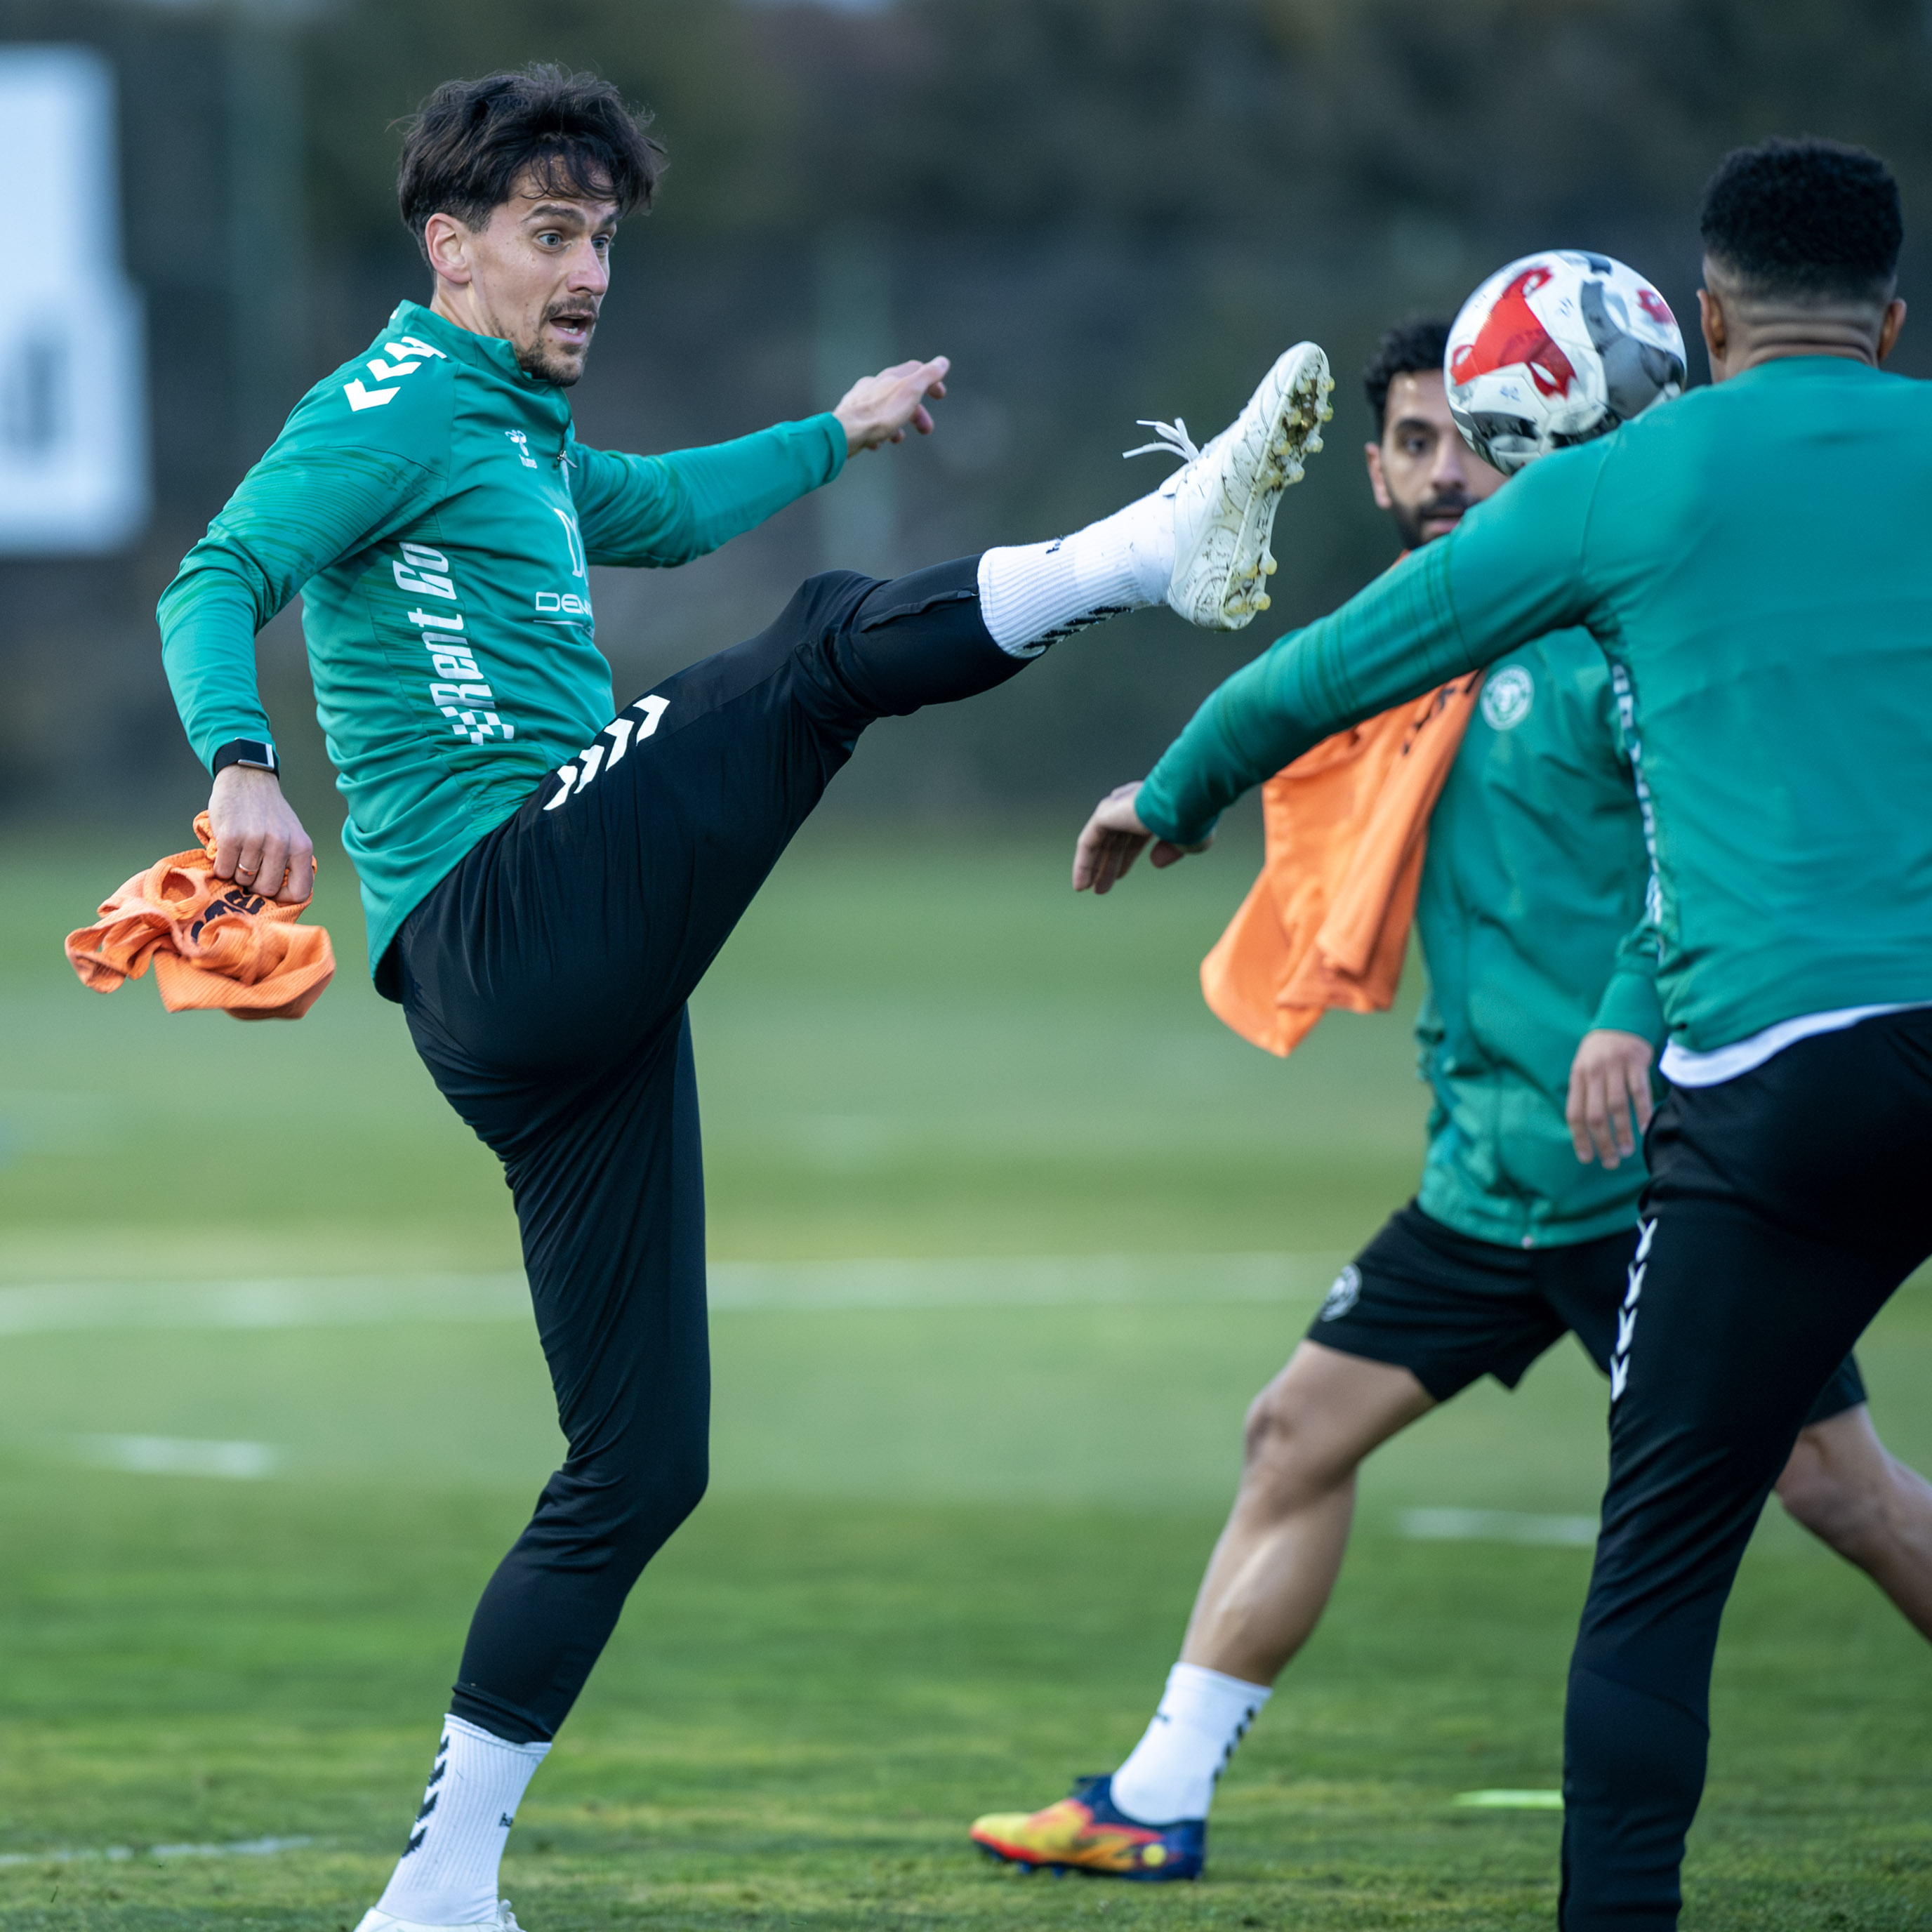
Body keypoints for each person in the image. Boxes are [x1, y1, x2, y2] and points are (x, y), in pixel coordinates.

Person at [154, 62, 1334, 1932]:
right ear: (450, 247)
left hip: (542, 1007)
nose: (589, 272)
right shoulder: (389, 404)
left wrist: (836, 432)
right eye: (551, 233)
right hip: (506, 909)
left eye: (605, 238)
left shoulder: (510, 429)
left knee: (639, 1465)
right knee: (814, 648)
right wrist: (240, 760)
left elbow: (654, 506)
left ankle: (439, 1890)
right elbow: (218, 573)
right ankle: (1139, 554)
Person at [1069, 140, 1932, 1930]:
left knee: (1661, 1568)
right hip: (1561, 1141)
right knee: (1322, 1430)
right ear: (1891, 322)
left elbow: (1337, 662)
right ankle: (1156, 1788)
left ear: (1706, 322)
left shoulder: (1625, 488)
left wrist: (1173, 788)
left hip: (1764, 1077)